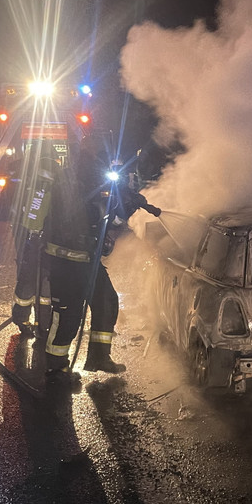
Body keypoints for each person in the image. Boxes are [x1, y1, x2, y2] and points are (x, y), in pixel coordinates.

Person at [42, 141, 159, 385]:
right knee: (68, 315)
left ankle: (99, 357)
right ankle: (56, 366)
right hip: (66, 263)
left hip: (88, 261)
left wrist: (127, 203)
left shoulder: (94, 186)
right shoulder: (67, 187)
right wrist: (118, 205)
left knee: (106, 301)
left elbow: (111, 218)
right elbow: (92, 217)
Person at [10, 155, 60, 336]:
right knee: (37, 281)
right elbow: (31, 217)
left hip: (33, 240)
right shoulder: (41, 188)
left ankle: (34, 322)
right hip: (35, 240)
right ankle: (38, 322)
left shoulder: (32, 185)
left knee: (35, 281)